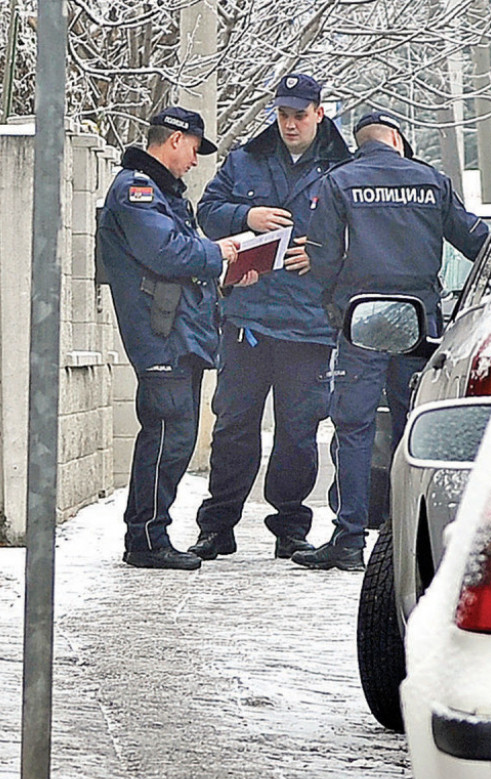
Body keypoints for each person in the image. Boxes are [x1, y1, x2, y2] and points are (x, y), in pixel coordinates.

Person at [295, 111, 489, 571]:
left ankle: (348, 540)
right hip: (418, 322)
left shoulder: (340, 182)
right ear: (398, 141)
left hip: (361, 319)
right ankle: (407, 540)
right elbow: (477, 241)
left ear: (361, 145)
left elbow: (321, 258)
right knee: (414, 429)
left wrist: (334, 297)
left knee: (354, 427)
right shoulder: (431, 181)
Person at [187, 74, 351, 562]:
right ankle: (218, 526)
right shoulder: (246, 159)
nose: (290, 124)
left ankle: (291, 526)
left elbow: (361, 237)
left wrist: (322, 258)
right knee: (233, 425)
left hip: (309, 322)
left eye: (300, 115)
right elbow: (208, 211)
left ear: (320, 113)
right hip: (248, 319)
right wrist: (248, 216)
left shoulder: (343, 167)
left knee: (298, 431)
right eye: (283, 114)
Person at [98, 107, 254, 570]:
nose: (194, 161)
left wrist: (227, 274)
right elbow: (166, 253)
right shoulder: (137, 191)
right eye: (193, 150)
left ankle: (150, 532)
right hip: (160, 335)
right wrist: (219, 252)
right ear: (174, 140)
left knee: (174, 436)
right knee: (168, 434)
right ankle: (146, 539)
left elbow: (179, 265)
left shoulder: (160, 194)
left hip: (176, 331)